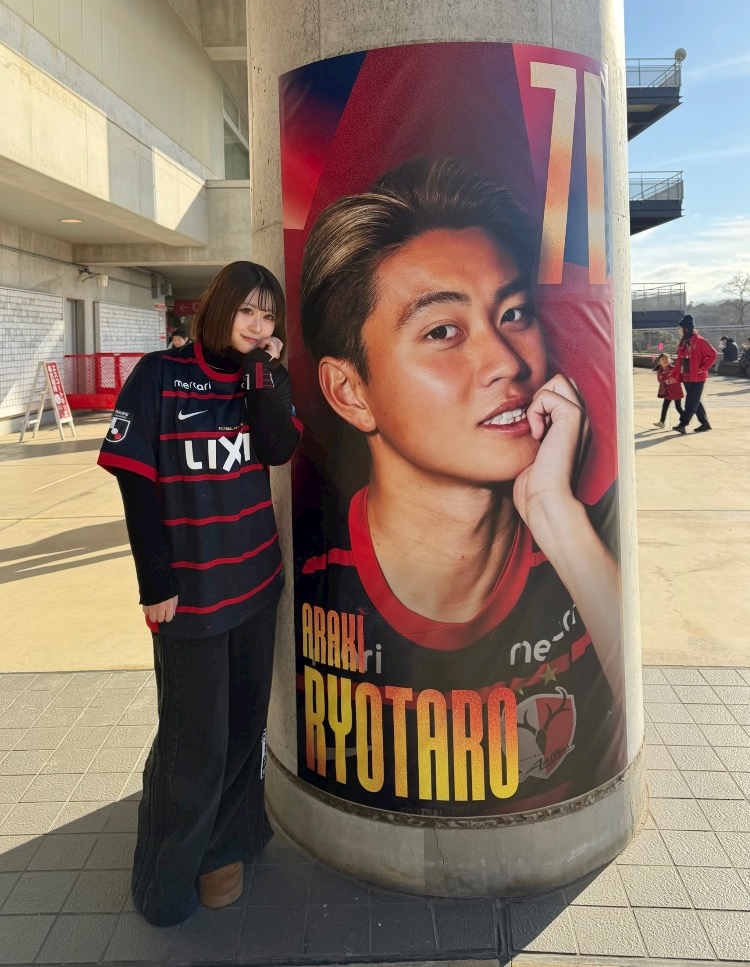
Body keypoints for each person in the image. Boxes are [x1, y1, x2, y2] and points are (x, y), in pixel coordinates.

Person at [297, 157, 625, 816]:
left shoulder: (583, 542)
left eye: (514, 313)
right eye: (443, 331)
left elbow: (632, 719)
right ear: (350, 391)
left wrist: (557, 518)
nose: (507, 362)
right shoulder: (311, 569)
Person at [97, 261, 301, 926]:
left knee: (244, 731)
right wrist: (154, 580)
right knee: (194, 745)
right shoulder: (158, 375)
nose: (258, 325)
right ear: (220, 308)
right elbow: (135, 481)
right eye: (247, 311)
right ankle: (165, 876)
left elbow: (277, 448)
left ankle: (224, 850)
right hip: (190, 598)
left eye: (268, 316)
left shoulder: (261, 379)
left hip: (256, 583)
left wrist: (263, 375)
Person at [673, 314, 717, 434]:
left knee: (691, 401)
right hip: (686, 375)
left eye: (680, 328)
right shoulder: (683, 342)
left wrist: (703, 368)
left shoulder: (700, 341)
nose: (679, 330)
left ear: (686, 328)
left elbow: (713, 354)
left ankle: (683, 424)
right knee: (694, 400)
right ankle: (704, 423)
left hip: (697, 376)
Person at [652, 352, 684, 426]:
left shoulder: (674, 369)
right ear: (659, 361)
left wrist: (668, 381)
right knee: (665, 406)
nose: (665, 360)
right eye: (663, 359)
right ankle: (662, 422)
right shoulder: (659, 371)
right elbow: (659, 380)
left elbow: (678, 378)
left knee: (678, 407)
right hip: (667, 391)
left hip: (676, 390)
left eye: (667, 358)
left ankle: (685, 419)